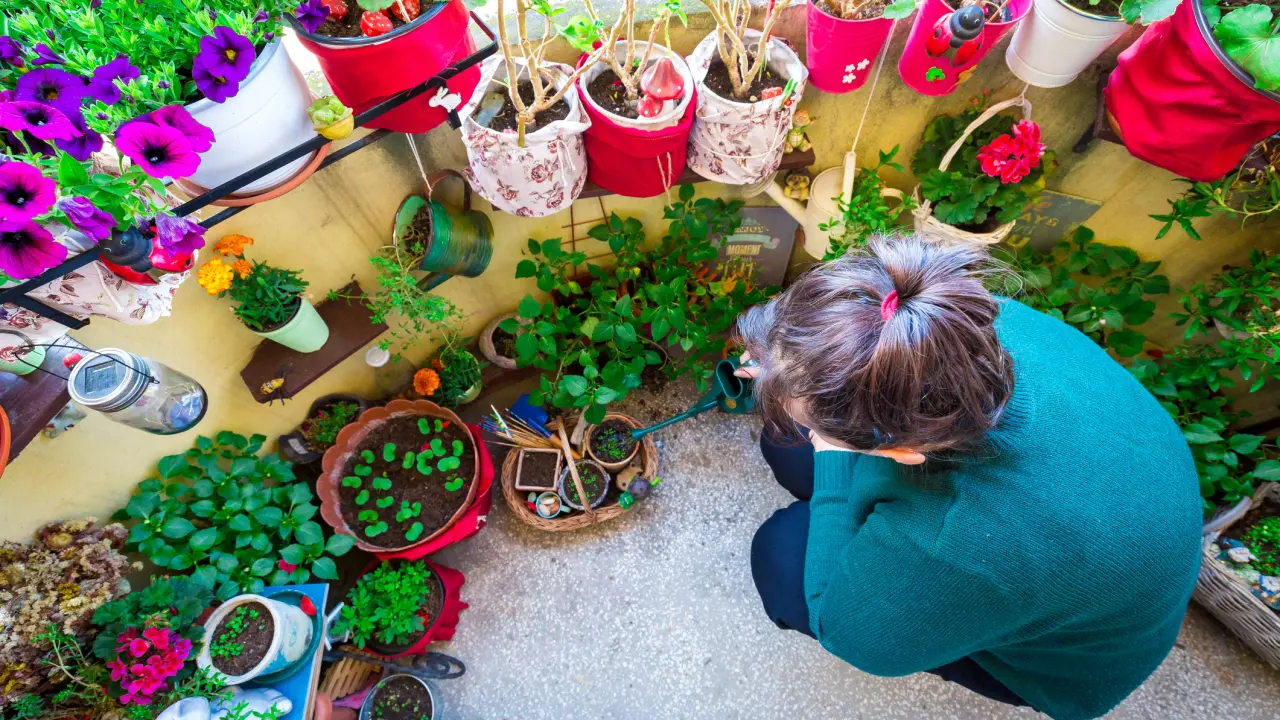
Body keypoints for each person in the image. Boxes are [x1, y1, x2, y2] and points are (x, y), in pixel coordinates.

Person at [736, 234, 1201, 720]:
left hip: (1065, 658)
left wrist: (829, 454)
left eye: (823, 430)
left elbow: (852, 636)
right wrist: (790, 366)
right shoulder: (946, 319)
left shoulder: (959, 544)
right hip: (1110, 506)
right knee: (786, 442)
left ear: (901, 452)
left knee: (783, 554)